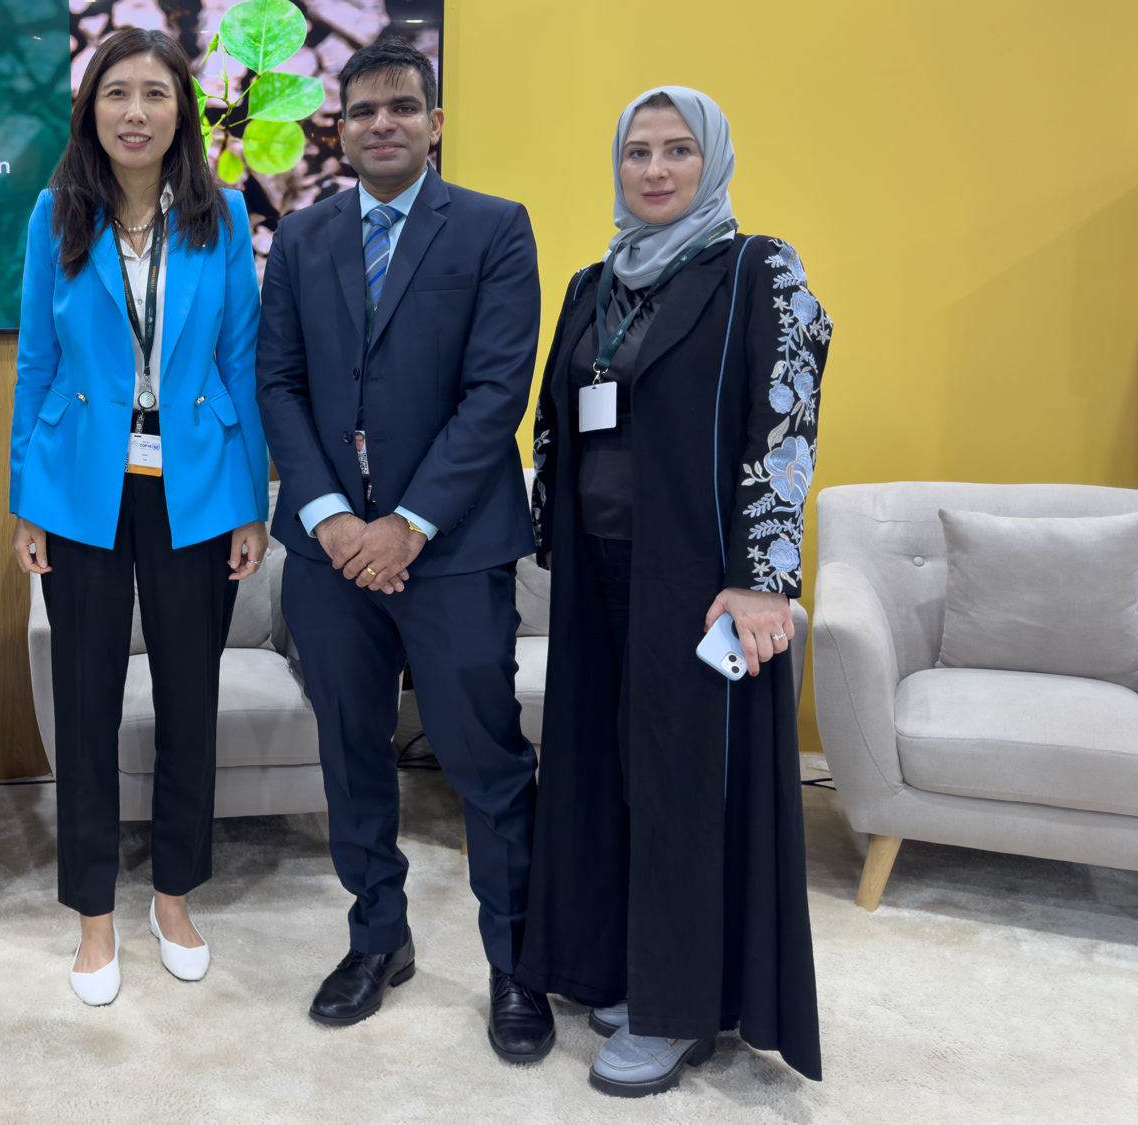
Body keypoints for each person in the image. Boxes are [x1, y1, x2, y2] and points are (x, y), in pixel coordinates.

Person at [514, 87, 827, 1096]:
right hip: (595, 575)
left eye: (676, 151)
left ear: (712, 161)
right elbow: (555, 424)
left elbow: (783, 428)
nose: (652, 170)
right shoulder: (589, 283)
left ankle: (675, 1006)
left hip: (701, 585)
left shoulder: (755, 270)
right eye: (636, 152)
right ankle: (620, 965)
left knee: (683, 789)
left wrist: (762, 580)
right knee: (605, 775)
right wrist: (546, 538)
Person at [254, 35, 554, 1060]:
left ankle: (516, 965)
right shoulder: (300, 238)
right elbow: (279, 384)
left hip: (453, 549)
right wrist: (333, 519)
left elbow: (493, 394)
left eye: (401, 107)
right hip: (332, 556)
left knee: (482, 761)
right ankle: (376, 937)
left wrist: (405, 525)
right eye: (362, 110)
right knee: (349, 752)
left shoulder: (492, 230)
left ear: (432, 122)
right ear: (337, 126)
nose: (381, 123)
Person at [11, 27, 268, 1006]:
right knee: (83, 707)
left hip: (196, 487)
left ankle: (171, 896)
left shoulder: (221, 214)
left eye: (153, 93)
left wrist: (249, 503)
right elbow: (36, 362)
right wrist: (26, 502)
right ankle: (91, 915)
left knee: (187, 704)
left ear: (179, 113)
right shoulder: (54, 216)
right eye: (114, 92)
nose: (133, 111)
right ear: (91, 111)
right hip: (81, 486)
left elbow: (236, 364)